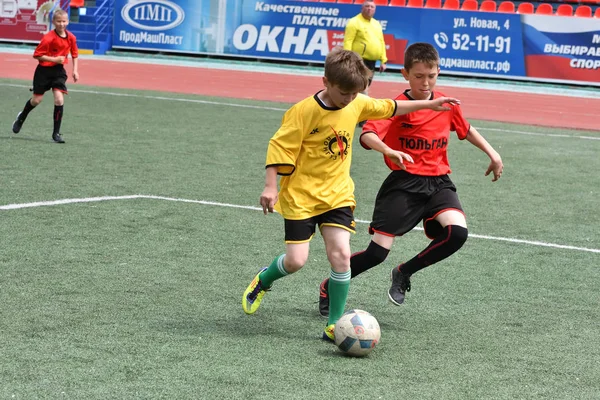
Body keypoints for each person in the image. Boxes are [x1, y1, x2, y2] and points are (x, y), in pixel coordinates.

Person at [241, 47, 460, 343]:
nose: (349, 100)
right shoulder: (303, 111)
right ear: (325, 82)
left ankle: (333, 325)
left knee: (342, 256)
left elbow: (390, 107)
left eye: (355, 94)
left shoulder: (356, 102)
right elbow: (278, 147)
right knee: (296, 261)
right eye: (344, 93)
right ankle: (263, 280)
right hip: (301, 198)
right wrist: (270, 186)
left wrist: (430, 105)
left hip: (338, 195)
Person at [318, 42, 503, 317]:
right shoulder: (396, 106)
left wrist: (493, 153)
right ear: (405, 73)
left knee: (458, 233)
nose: (425, 82)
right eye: (418, 76)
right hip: (403, 184)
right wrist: (389, 150)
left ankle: (404, 272)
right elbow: (368, 135)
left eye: (431, 75)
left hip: (439, 183)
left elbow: (466, 129)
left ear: (438, 71)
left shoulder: (446, 104)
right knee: (377, 254)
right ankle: (327, 287)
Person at [11, 9, 79, 144]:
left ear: (68, 21)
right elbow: (36, 55)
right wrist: (54, 59)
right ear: (53, 22)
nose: (61, 24)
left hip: (58, 71)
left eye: (64, 21)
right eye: (58, 21)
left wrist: (75, 70)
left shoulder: (71, 37)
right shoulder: (48, 38)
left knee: (59, 99)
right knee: (36, 100)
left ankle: (56, 133)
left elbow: (75, 54)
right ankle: (21, 117)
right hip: (43, 71)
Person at [343, 0, 387, 98]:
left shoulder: (376, 24)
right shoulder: (354, 22)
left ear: (375, 10)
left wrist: (383, 60)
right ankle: (362, 104)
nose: (369, 9)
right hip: (359, 59)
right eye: (367, 6)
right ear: (362, 8)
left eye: (372, 7)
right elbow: (348, 40)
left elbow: (381, 41)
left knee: (366, 83)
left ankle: (357, 101)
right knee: (362, 84)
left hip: (372, 60)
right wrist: (348, 57)